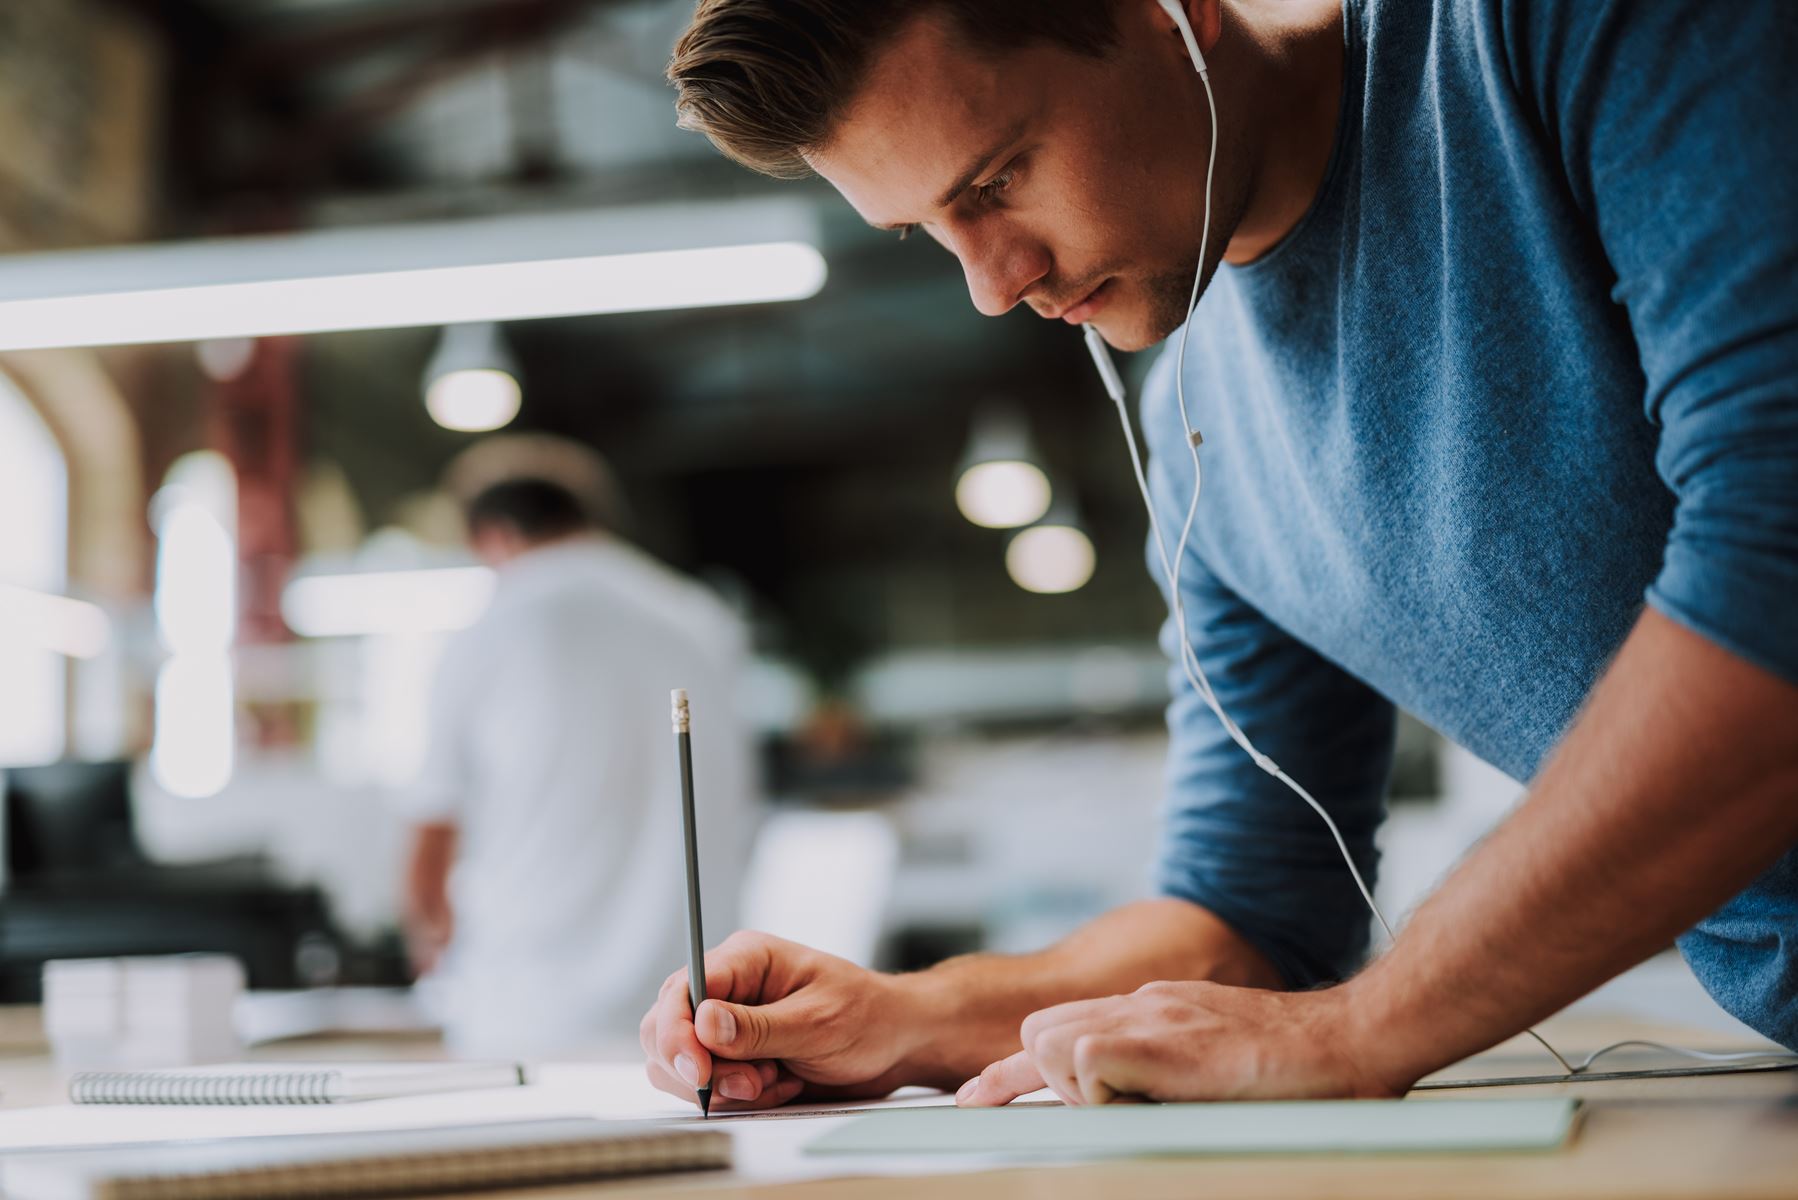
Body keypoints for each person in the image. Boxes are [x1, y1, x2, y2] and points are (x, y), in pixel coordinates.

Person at [639, 0, 1798, 1110]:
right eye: (924, 227)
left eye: (994, 181)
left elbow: (1775, 580)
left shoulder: (1545, 35)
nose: (991, 284)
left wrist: (1361, 1028)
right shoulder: (1201, 435)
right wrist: (910, 1017)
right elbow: (1251, 912)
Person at [403, 472, 756, 1058]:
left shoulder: (496, 624)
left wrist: (429, 939)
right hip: (694, 1015)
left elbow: (432, 829)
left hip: (528, 1014)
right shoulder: (700, 616)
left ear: (494, 536)